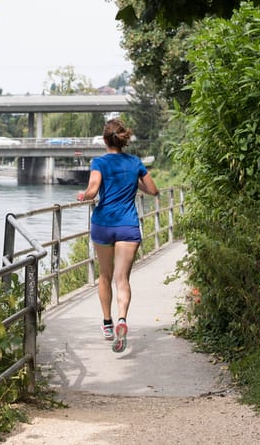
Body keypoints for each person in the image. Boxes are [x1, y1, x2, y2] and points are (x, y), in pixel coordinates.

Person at [77, 119, 158, 353]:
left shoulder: (99, 162)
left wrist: (84, 195)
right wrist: (134, 184)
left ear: (105, 140)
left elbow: (93, 190)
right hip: (128, 226)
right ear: (123, 139)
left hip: (103, 224)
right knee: (122, 279)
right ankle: (122, 319)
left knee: (104, 275)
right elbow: (152, 190)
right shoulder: (135, 162)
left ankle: (107, 323)